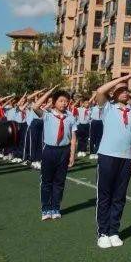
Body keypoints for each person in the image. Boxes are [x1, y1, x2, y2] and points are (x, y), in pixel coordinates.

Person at [93, 73, 131, 249]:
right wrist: (122, 79)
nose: (124, 92)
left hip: (127, 157)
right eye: (120, 90)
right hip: (107, 155)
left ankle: (114, 230)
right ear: (114, 93)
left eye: (126, 90)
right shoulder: (107, 107)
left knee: (119, 196)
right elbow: (100, 91)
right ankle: (103, 232)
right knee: (105, 195)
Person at [40, 90, 77, 220]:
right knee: (46, 181)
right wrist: (49, 93)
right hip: (49, 150)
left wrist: (72, 155)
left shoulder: (71, 117)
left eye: (66, 101)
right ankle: (45, 208)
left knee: (59, 182)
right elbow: (34, 107)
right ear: (54, 102)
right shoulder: (48, 114)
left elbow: (73, 138)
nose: (64, 103)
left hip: (64, 151)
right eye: (61, 101)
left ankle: (56, 207)